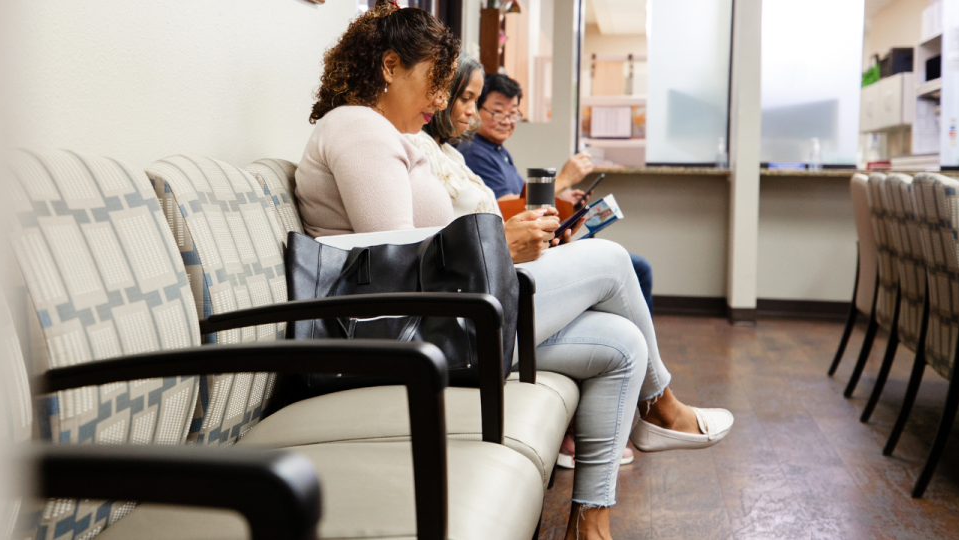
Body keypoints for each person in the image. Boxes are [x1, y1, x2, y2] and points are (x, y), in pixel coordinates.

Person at [294, 4, 732, 539]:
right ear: (388, 66)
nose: (440, 100)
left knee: (623, 345)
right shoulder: (358, 129)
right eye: (434, 83)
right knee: (615, 263)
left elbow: (420, 251)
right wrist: (499, 243)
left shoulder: (396, 137)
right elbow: (396, 268)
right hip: (410, 332)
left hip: (446, 317)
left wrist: (502, 241)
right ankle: (661, 403)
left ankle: (591, 525)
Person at [458, 73, 655, 312]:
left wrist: (561, 200)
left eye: (513, 113)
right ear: (477, 108)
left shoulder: (499, 151)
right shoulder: (474, 152)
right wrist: (563, 180)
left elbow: (523, 201)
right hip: (518, 258)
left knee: (628, 263)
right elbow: (505, 209)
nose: (507, 120)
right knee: (638, 268)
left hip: (536, 248)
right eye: (498, 111)